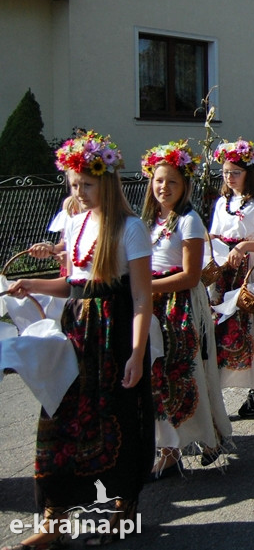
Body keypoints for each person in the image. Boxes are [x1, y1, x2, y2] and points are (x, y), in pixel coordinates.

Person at [6, 132, 153, 548]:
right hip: (75, 330)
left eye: (86, 184)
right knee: (59, 416)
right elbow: (71, 284)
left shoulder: (131, 227)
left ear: (105, 181)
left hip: (113, 331)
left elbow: (142, 298)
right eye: (73, 185)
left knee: (115, 416)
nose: (79, 193)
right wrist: (31, 283)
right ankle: (54, 517)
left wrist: (138, 354)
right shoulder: (74, 222)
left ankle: (122, 505)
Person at [141, 141, 232, 477]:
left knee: (186, 374)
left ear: (185, 186)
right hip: (152, 305)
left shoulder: (189, 221)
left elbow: (190, 275)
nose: (163, 187)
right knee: (157, 377)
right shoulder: (148, 219)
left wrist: (148, 288)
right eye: (158, 180)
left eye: (172, 182)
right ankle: (169, 447)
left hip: (178, 305)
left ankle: (209, 436)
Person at [208, 138, 254, 418]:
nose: (229, 177)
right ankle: (222, 388)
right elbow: (214, 234)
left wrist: (245, 246)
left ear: (248, 174)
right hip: (226, 272)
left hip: (250, 271)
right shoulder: (223, 202)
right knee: (225, 331)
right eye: (226, 172)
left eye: (235, 172)